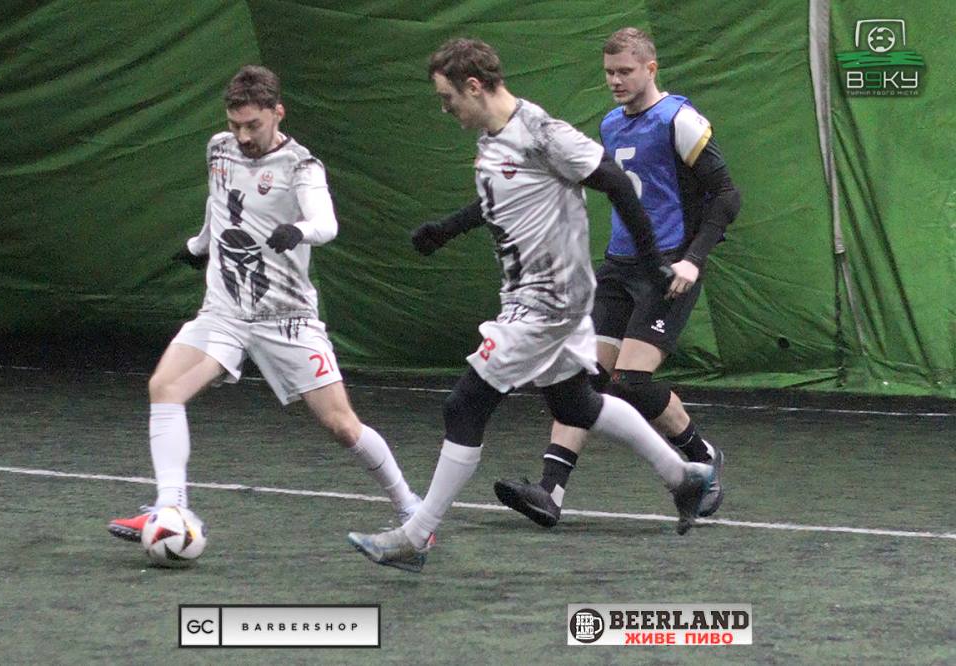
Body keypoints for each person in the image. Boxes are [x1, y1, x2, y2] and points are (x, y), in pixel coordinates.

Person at [347, 38, 715, 573]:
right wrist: (447, 229)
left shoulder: (543, 132)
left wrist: (653, 260)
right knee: (576, 405)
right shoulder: (492, 140)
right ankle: (683, 477)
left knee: (463, 406)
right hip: (528, 296)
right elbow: (500, 200)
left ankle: (416, 535)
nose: (445, 109)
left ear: (475, 86)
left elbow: (615, 182)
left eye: (448, 97)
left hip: (550, 300)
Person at [108, 65, 421, 544]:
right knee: (165, 387)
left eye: (253, 125)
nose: (243, 136)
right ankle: (171, 510)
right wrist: (198, 246)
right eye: (235, 124)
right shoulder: (218, 149)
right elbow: (218, 203)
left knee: (341, 425)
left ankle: (412, 510)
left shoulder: (301, 166)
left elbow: (327, 224)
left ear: (278, 113)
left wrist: (299, 230)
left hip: (286, 318)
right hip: (225, 313)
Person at [493, 27, 741, 528]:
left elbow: (726, 195)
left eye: (625, 71)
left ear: (651, 69)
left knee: (629, 382)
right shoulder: (610, 124)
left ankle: (702, 459)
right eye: (609, 72)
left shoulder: (679, 120)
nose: (615, 80)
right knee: (582, 380)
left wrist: (692, 259)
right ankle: (549, 493)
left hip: (667, 269)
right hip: (619, 267)